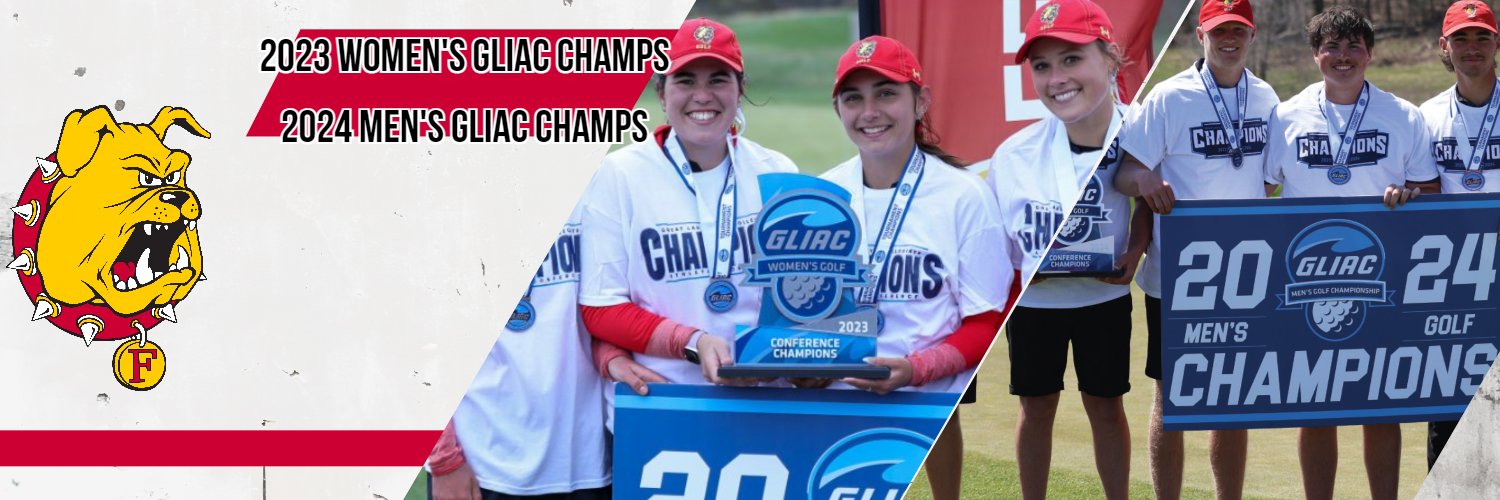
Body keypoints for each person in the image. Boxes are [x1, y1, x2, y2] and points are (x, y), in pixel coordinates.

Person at [819, 35, 1013, 500]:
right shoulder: (821, 194)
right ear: (838, 109)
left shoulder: (964, 195)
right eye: (854, 98)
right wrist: (809, 364)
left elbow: (986, 318)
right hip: (831, 404)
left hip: (927, 404)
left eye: (886, 93)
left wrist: (916, 369)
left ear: (920, 100)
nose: (870, 111)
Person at [1262, 6, 1441, 499]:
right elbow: (1260, 193)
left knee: (1379, 406)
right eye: (1331, 47)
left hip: (1382, 279)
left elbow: (1430, 192)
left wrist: (1411, 197)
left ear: (1370, 53)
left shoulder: (1403, 115)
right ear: (1316, 54)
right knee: (1315, 406)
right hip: (1305, 282)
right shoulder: (1285, 116)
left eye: (1353, 47)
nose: (1342, 57)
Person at [577, 17, 798, 387]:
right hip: (661, 402)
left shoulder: (777, 171)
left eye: (718, 79)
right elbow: (600, 308)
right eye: (685, 80)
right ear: (662, 93)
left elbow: (799, 298)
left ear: (739, 89)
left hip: (763, 400)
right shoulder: (621, 173)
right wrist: (694, 343)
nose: (702, 95)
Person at [1113, 1, 1274, 497]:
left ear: (1252, 36)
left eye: (1238, 30)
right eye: (1219, 29)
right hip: (1177, 276)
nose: (1230, 38)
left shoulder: (1266, 98)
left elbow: (1270, 183)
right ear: (1199, 35)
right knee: (1173, 398)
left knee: (1233, 401)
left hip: (1245, 276)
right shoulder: (1168, 97)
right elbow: (1124, 172)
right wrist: (1147, 180)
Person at [989, 0, 1142, 497]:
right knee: (1036, 408)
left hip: (1103, 298)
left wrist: (1135, 249)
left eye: (1072, 58)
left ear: (1111, 59)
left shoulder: (1140, 130)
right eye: (1042, 65)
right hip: (1034, 306)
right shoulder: (1013, 154)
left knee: (1106, 406)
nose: (1057, 77)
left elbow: (1161, 205)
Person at [425, 205, 663, 500]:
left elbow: (597, 304)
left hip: (583, 460)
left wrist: (610, 356)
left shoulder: (592, 192)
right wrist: (443, 458)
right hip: (482, 463)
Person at [1418, 0, 1500, 470]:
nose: (1473, 48)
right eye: (1462, 39)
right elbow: (1425, 194)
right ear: (1444, 48)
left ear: (1496, 44)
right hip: (1451, 282)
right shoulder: (1425, 116)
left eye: (1482, 37)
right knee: (1450, 404)